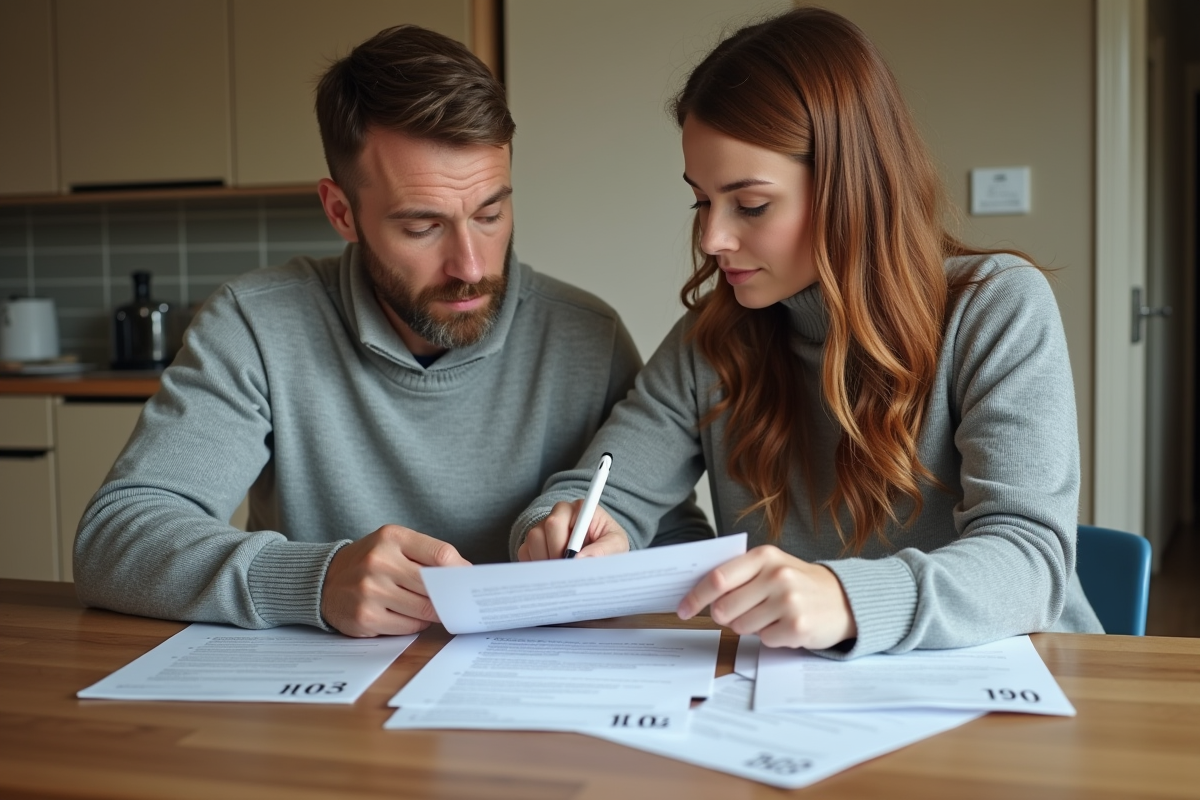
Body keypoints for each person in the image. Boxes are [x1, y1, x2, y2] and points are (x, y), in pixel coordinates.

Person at [74, 25, 710, 637]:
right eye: (422, 227)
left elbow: (669, 539)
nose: (471, 266)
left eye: (490, 214)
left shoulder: (587, 337)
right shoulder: (257, 325)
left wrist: (610, 563)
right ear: (341, 211)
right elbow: (115, 539)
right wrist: (315, 581)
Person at [512, 7, 1103, 658]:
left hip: (1028, 680)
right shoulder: (710, 339)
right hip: (808, 691)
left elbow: (1029, 560)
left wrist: (847, 600)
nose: (712, 238)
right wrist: (559, 527)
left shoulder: (996, 306)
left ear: (851, 189)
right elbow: (605, 491)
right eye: (702, 200)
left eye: (751, 204)